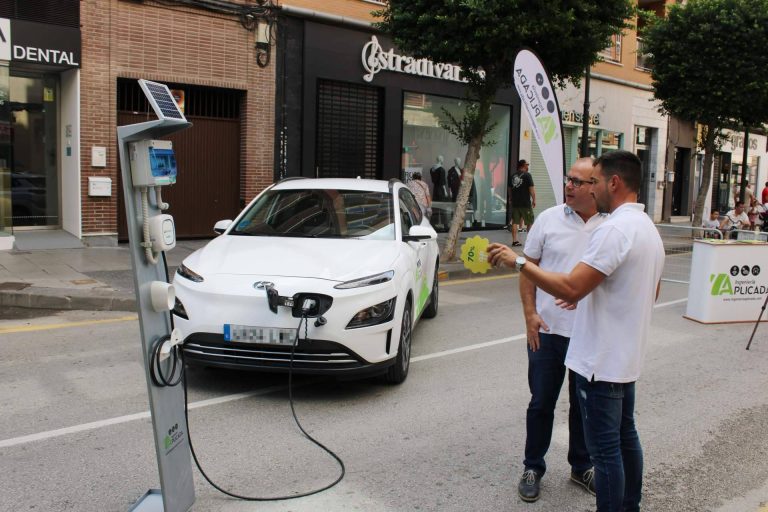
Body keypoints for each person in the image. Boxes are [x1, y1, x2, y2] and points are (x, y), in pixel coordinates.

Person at [488, 150, 665, 512]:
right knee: (619, 434)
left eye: (589, 181)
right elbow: (643, 290)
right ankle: (542, 471)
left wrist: (517, 260)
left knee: (606, 450)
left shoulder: (613, 228)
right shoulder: (645, 226)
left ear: (611, 183)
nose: (572, 186)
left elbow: (571, 287)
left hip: (600, 358)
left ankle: (596, 485)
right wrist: (539, 310)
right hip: (618, 355)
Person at [514, 157, 605, 503]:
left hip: (589, 331)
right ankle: (532, 466)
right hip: (547, 330)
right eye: (569, 179)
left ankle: (581, 466)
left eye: (578, 182)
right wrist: (530, 315)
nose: (569, 186)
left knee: (583, 405)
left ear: (596, 187)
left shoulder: (610, 225)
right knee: (541, 402)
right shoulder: (548, 220)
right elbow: (528, 269)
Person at [508, 159, 536, 247]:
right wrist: (534, 199)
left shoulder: (512, 176)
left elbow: (509, 188)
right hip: (525, 203)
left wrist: (511, 197)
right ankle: (530, 241)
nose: (528, 166)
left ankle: (514, 241)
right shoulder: (527, 175)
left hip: (515, 203)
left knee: (515, 222)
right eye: (527, 164)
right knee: (529, 222)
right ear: (523, 165)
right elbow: (531, 189)